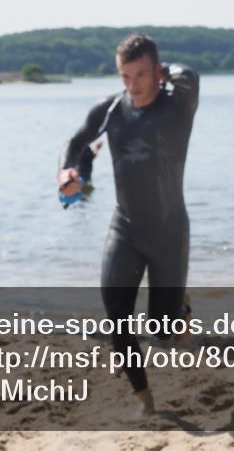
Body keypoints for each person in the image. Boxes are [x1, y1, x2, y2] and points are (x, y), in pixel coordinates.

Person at [58, 33, 199, 417]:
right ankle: (144, 398)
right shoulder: (111, 110)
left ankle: (180, 311)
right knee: (116, 316)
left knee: (164, 333)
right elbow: (75, 141)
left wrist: (165, 72)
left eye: (140, 75)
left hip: (170, 232)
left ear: (157, 71)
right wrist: (67, 171)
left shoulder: (179, 104)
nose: (132, 85)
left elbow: (191, 74)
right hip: (126, 229)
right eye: (124, 76)